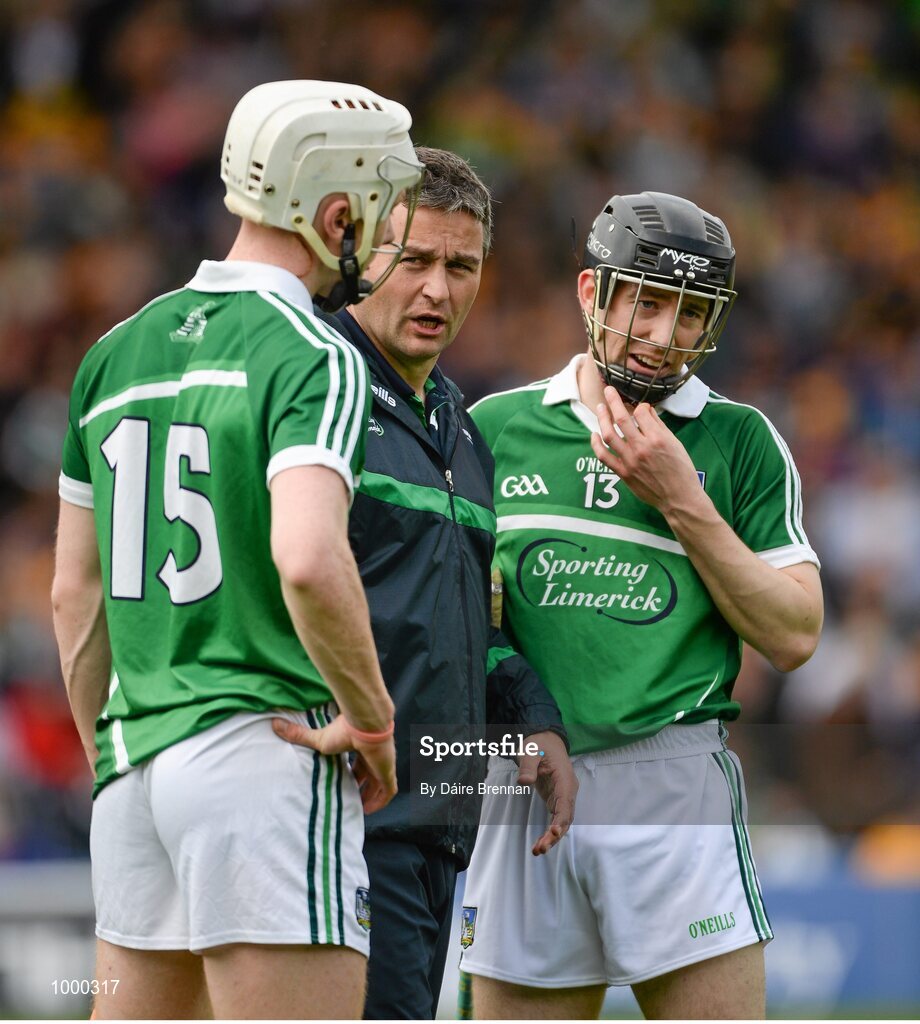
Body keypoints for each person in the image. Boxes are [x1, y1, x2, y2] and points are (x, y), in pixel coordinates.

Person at [50, 80, 424, 1020]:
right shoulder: (314, 350)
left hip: (134, 768)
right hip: (261, 756)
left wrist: (117, 751)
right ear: (334, 210)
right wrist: (373, 721)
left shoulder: (115, 352)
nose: (379, 238)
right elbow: (306, 556)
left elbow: (75, 596)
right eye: (377, 210)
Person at [457, 191, 824, 1019]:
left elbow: (796, 634)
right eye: (647, 303)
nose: (666, 337)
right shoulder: (493, 428)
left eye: (692, 313)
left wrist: (682, 501)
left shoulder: (740, 442)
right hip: (522, 783)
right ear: (592, 294)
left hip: (671, 781)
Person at [275, 146, 577, 1020]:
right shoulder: (311, 394)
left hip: (439, 831)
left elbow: (472, 627)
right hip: (339, 823)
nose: (438, 291)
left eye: (460, 266)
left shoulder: (465, 432)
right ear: (361, 253)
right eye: (413, 262)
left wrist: (536, 721)